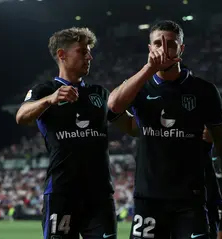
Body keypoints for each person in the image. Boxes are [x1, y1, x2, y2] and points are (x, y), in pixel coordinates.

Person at [107, 20, 222, 239]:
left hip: (191, 200)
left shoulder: (203, 91)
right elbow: (113, 106)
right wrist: (149, 68)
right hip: (149, 199)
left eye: (171, 44)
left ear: (181, 48)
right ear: (150, 49)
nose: (164, 49)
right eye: (157, 44)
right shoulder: (141, 86)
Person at [16, 27, 136, 239]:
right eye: (83, 51)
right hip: (62, 193)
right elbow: (22, 116)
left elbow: (132, 127)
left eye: (89, 51)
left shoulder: (99, 93)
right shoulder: (44, 90)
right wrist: (50, 100)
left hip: (100, 196)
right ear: (62, 55)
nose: (89, 56)